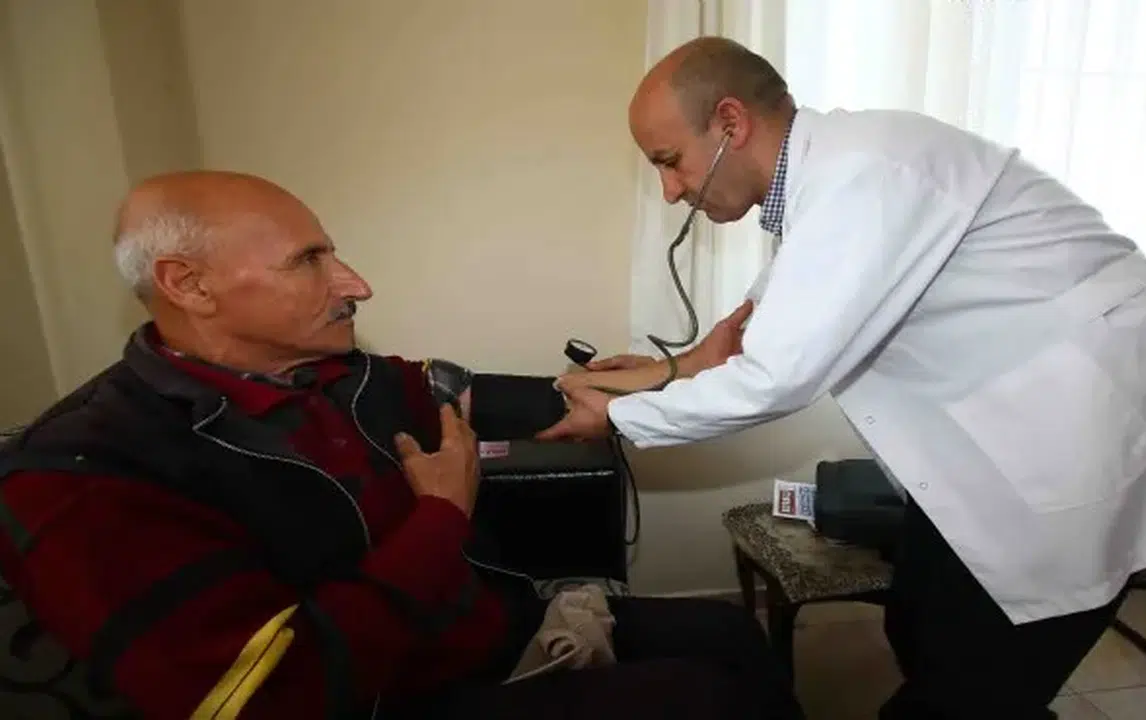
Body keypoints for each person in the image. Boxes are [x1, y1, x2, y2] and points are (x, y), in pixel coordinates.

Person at [539, 36, 1146, 719]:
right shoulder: (828, 180)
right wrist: (661, 370)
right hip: (1021, 419)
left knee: (970, 681)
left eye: (670, 161)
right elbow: (756, 326)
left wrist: (619, 417)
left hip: (1089, 418)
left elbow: (777, 374)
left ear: (731, 122)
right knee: (918, 618)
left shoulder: (865, 175)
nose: (670, 191)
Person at [0, 170, 805, 720]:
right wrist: (440, 521)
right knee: (700, 699)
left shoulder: (340, 374)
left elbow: (518, 397)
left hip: (482, 635)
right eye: (309, 261)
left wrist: (684, 368)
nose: (356, 284)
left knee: (731, 635)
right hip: (387, 696)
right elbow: (272, 694)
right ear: (188, 284)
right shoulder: (85, 474)